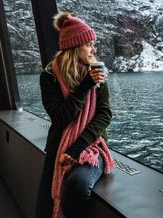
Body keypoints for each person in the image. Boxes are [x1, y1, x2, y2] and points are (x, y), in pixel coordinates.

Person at [35, 12, 114, 218]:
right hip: (57, 148)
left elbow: (104, 114)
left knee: (77, 186)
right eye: (88, 44)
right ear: (75, 46)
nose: (93, 49)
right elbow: (61, 117)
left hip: (91, 146)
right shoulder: (49, 76)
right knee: (44, 209)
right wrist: (85, 86)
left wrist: (77, 148)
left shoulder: (97, 71)